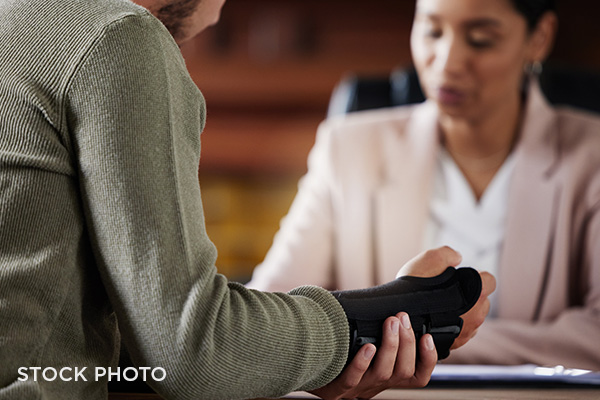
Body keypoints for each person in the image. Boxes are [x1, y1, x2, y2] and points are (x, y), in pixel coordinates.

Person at [0, 0, 493, 399]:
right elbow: (193, 351)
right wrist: (416, 308)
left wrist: (302, 359)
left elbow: (69, 338)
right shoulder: (118, 37)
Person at [248, 0, 600, 371]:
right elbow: (262, 325)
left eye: (480, 40)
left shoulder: (591, 156)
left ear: (539, 38)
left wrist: (413, 336)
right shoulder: (347, 150)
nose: (447, 62)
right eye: (432, 31)